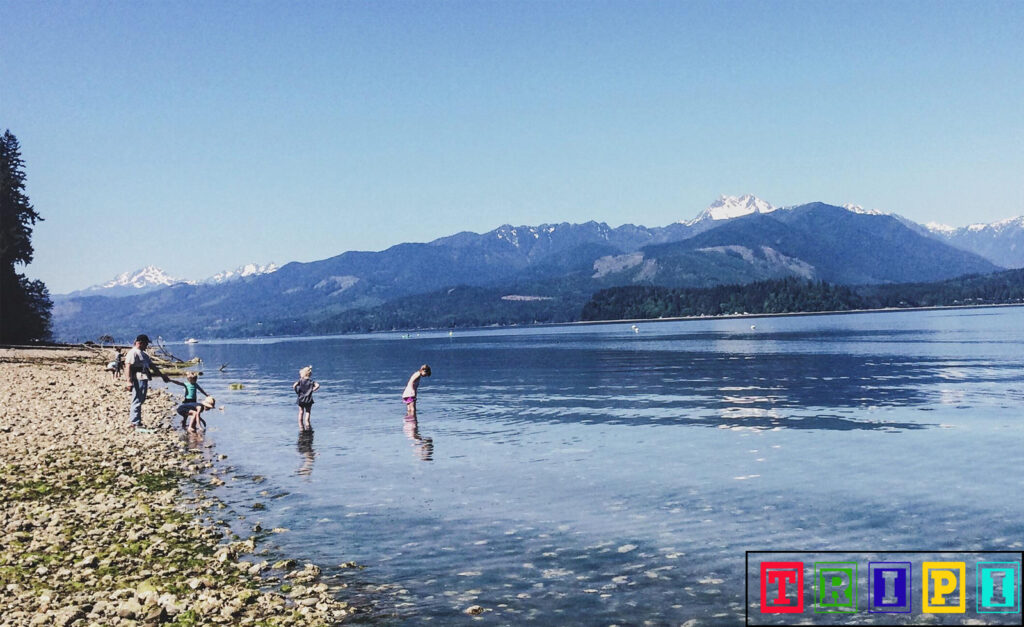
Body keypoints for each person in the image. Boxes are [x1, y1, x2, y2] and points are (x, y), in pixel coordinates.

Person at [123, 334, 169, 430]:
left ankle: (136, 421)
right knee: (137, 400)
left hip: (144, 378)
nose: (147, 346)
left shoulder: (144, 354)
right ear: (140, 343)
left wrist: (162, 376)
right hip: (137, 378)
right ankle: (134, 422)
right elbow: (127, 366)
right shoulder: (133, 353)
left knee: (141, 399)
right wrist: (128, 381)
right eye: (146, 344)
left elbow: (152, 366)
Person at [292, 366, 320, 431]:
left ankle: (300, 425)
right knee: (308, 411)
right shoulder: (311, 381)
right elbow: (318, 385)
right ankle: (307, 423)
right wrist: (313, 390)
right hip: (309, 399)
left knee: (301, 411)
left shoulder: (300, 380)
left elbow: (294, 386)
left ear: (303, 374)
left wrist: (297, 391)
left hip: (300, 399)